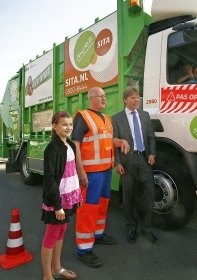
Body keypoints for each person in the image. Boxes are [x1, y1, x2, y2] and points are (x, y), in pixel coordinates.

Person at [72, 87, 129, 268]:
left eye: (105, 96)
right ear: (91, 99)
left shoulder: (106, 118)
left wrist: (120, 142)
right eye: (100, 96)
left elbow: (106, 140)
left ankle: (97, 234)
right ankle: (84, 249)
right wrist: (80, 171)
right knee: (88, 208)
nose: (104, 98)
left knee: (102, 204)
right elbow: (75, 145)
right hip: (90, 173)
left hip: (105, 171)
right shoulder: (83, 116)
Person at [112, 86, 158, 245]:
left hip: (143, 160)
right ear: (125, 100)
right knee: (128, 195)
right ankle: (131, 226)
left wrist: (152, 153)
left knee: (149, 194)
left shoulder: (145, 116)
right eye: (132, 97)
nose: (136, 100)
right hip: (126, 162)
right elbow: (114, 143)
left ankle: (146, 227)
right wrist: (117, 162)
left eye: (137, 97)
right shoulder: (117, 118)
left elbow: (151, 137)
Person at [41, 111, 82, 280]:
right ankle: (47, 276)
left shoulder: (71, 145)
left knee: (62, 230)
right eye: (64, 124)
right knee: (51, 235)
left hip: (68, 198)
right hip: (56, 200)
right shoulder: (52, 148)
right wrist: (57, 205)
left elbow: (72, 174)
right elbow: (50, 180)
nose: (68, 127)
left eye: (70, 124)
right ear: (54, 126)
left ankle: (57, 267)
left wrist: (76, 197)